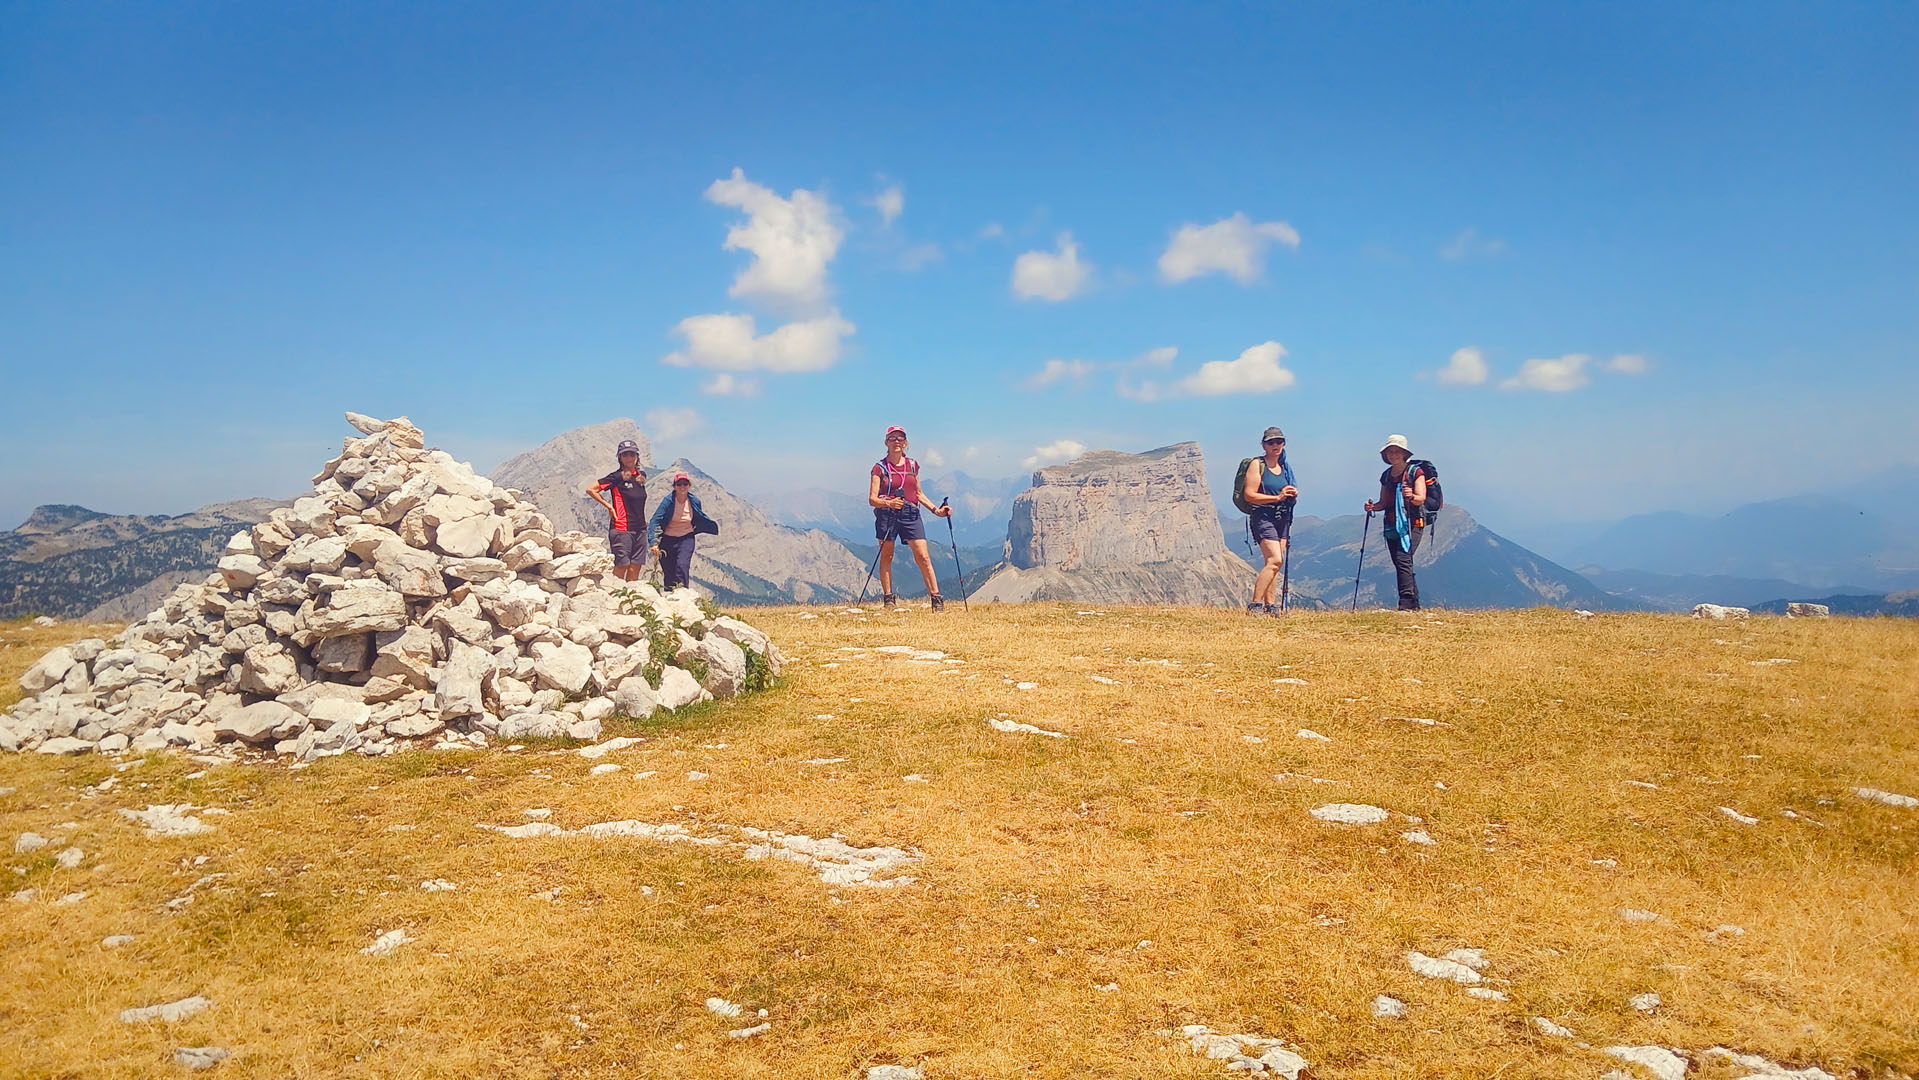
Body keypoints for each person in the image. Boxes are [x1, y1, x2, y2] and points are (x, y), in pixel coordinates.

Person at [867, 425, 952, 611]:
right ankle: (889, 598)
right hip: (887, 514)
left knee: (923, 556)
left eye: (900, 438)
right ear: (886, 442)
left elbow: (918, 493)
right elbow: (872, 499)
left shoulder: (912, 465)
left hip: (911, 513)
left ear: (905, 442)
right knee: (887, 555)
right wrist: (889, 503)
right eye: (892, 438)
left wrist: (936, 511)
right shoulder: (879, 468)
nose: (896, 441)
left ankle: (936, 599)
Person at [1364, 434, 1427, 611]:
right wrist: (1372, 507)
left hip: (1412, 523)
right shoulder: (1386, 476)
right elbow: (1383, 503)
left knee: (1403, 559)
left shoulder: (1416, 472)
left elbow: (1421, 498)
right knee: (1401, 561)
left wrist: (1411, 496)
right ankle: (1413, 603)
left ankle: (1406, 603)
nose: (1393, 455)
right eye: (1390, 452)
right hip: (1392, 524)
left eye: (1397, 451)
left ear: (1404, 453)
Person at [1241, 426, 1299, 615]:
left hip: (1282, 518)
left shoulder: (1285, 467)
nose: (1276, 445)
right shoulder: (1257, 465)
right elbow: (1249, 495)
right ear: (1264, 445)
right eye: (1271, 442)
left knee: (1274, 562)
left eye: (1279, 441)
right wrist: (1277, 498)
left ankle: (1270, 605)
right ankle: (1255, 604)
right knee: (1275, 560)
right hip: (1263, 517)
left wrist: (1291, 494)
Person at [586, 439, 647, 582]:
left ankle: (631, 600)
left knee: (635, 566)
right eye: (625, 455)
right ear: (620, 457)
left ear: (637, 456)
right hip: (622, 529)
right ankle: (615, 597)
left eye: (632, 454)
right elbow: (591, 489)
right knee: (622, 566)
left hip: (640, 529)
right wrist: (609, 506)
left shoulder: (640, 476)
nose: (629, 458)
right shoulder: (616, 477)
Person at [648, 472, 719, 592]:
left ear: (689, 485)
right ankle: (670, 597)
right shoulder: (668, 501)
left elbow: (698, 516)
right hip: (667, 539)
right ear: (674, 486)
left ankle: (683, 595)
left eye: (685, 483)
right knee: (669, 571)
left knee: (682, 566)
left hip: (686, 538)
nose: (682, 486)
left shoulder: (694, 501)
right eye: (679, 484)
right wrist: (653, 542)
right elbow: (655, 520)